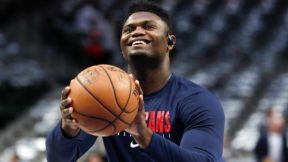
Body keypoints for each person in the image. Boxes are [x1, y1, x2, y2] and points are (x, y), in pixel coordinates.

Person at [45, 1, 225, 162]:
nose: (137, 32)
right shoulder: (104, 95)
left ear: (169, 42)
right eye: (128, 29)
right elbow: (58, 159)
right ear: (122, 44)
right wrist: (67, 130)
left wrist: (144, 135)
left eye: (149, 27)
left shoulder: (196, 100)